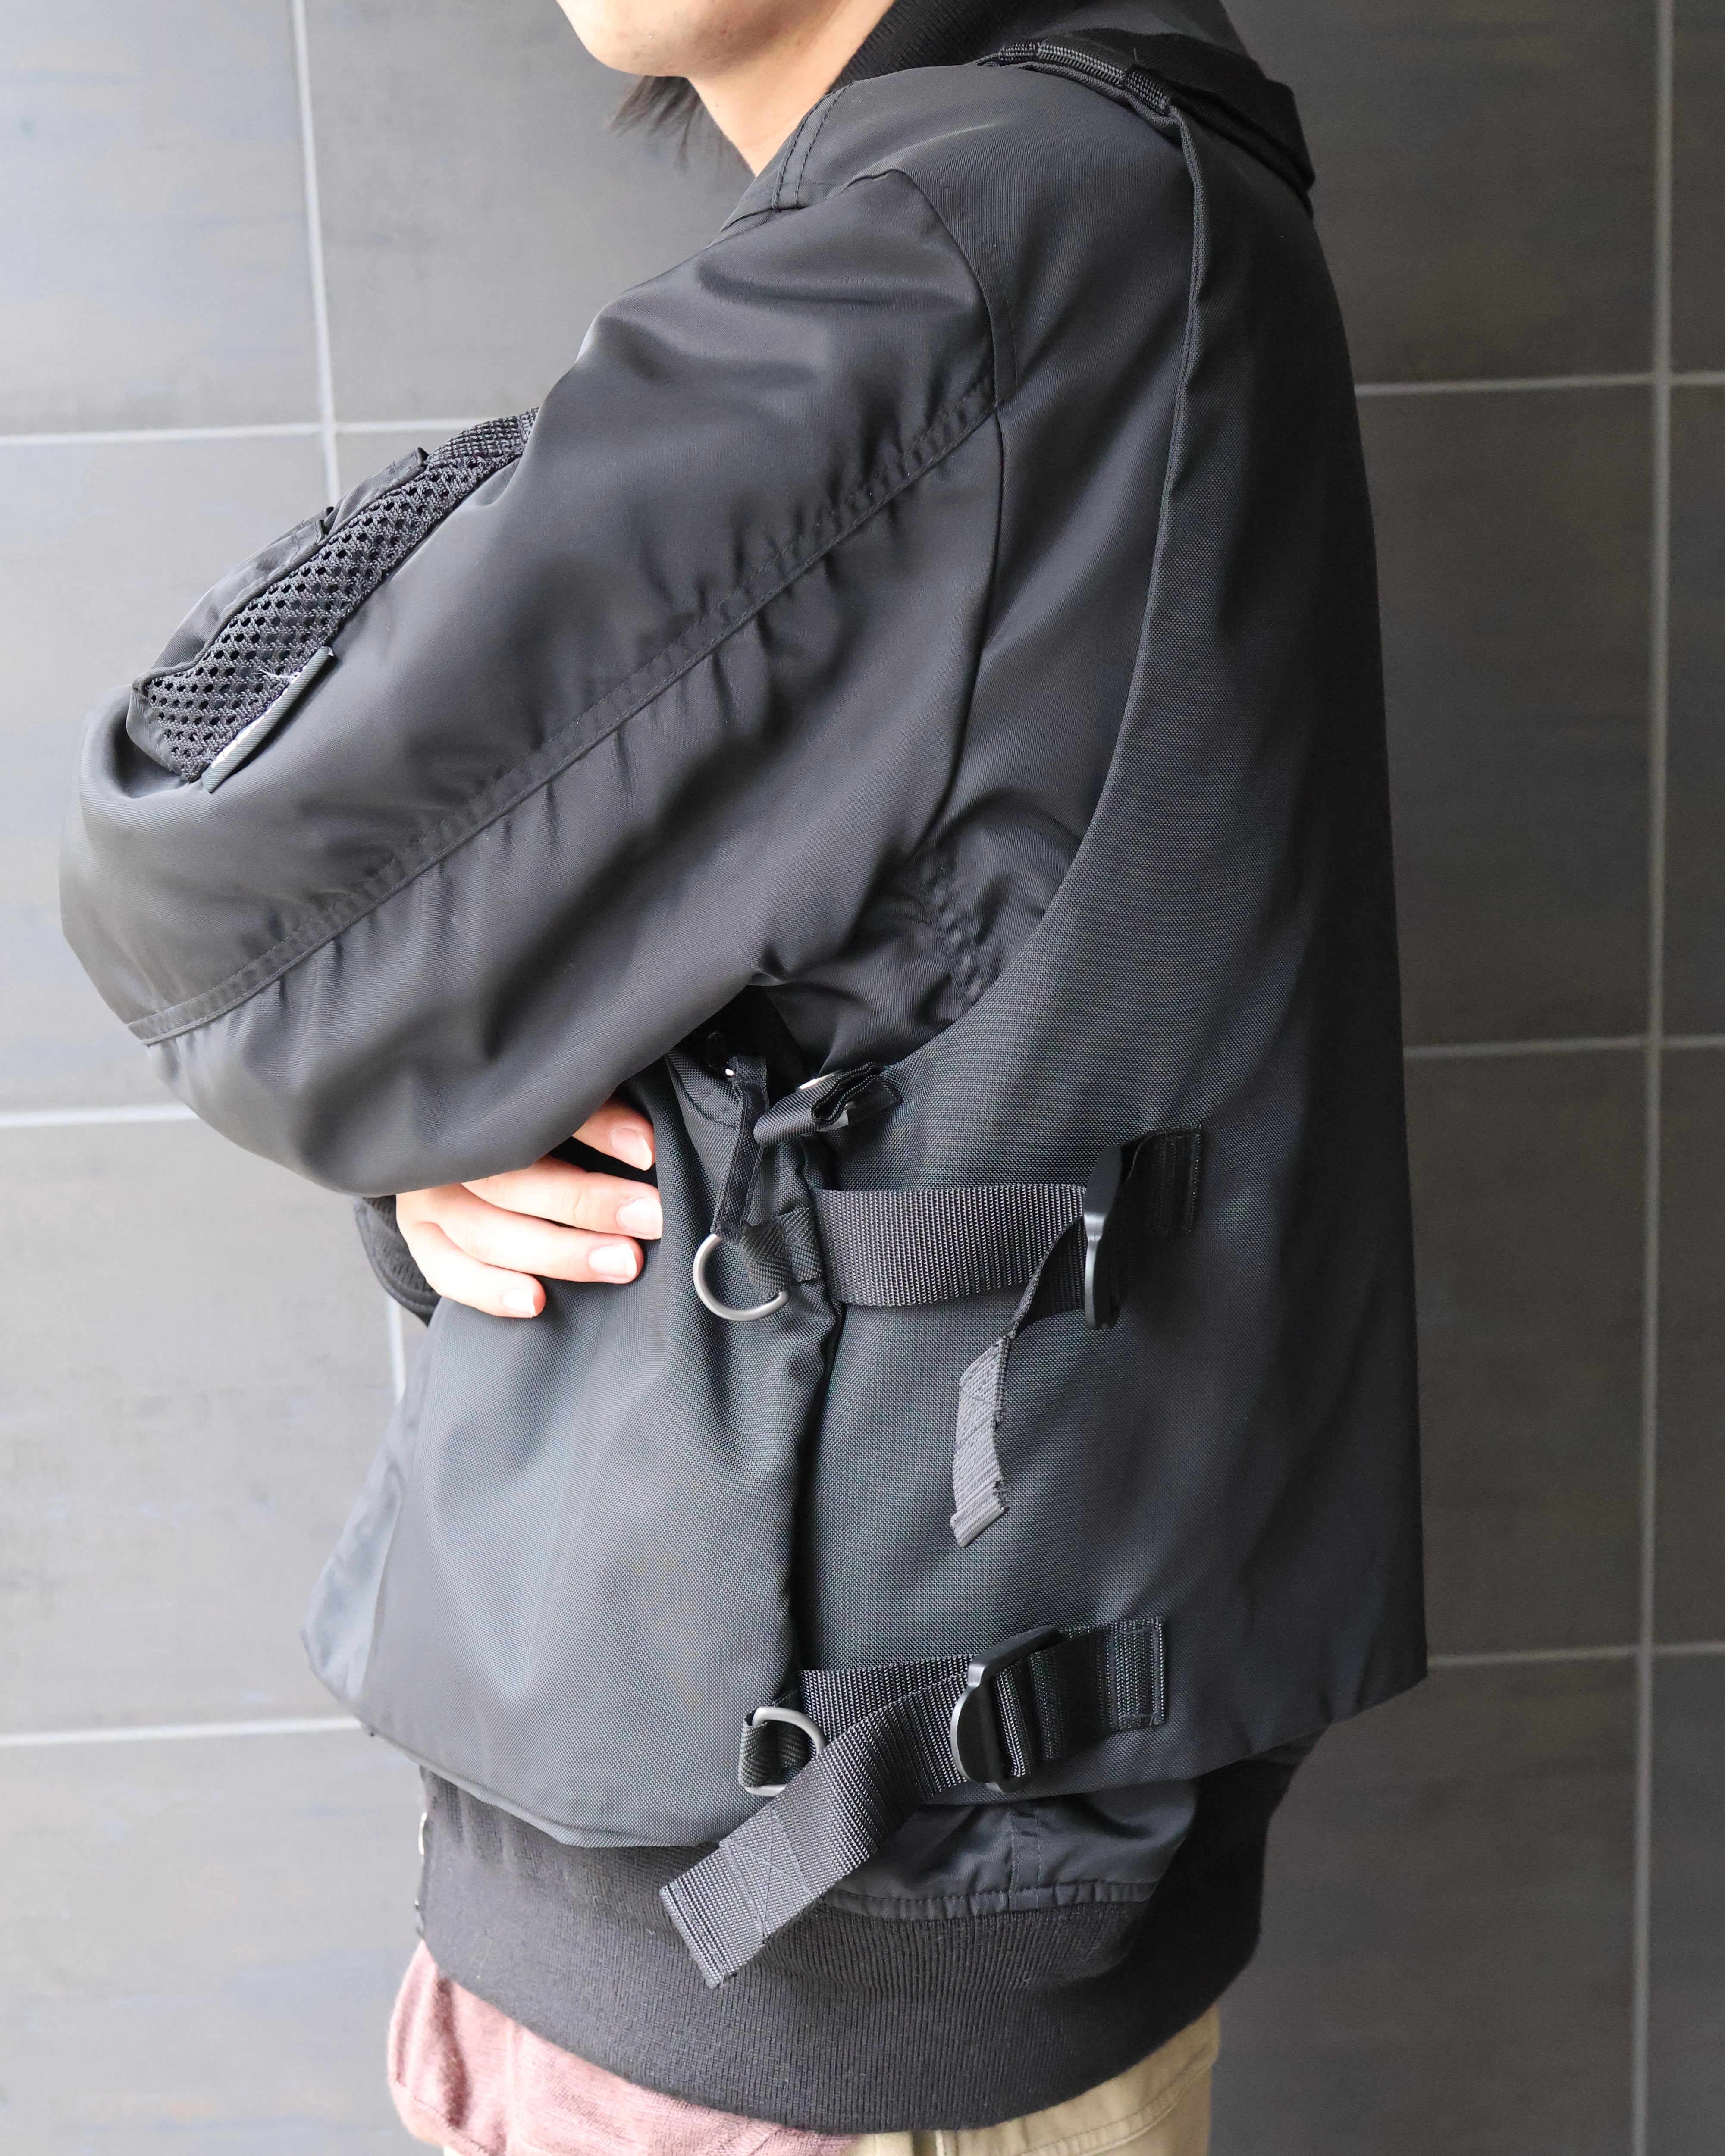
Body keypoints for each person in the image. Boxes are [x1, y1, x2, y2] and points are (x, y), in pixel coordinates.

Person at [60, 0, 1426, 2151]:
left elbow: (207, 869)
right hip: (860, 1929)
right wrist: (460, 1109)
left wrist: (436, 1047)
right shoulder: (1131, 190)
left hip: (786, 1966)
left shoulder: (971, 242)